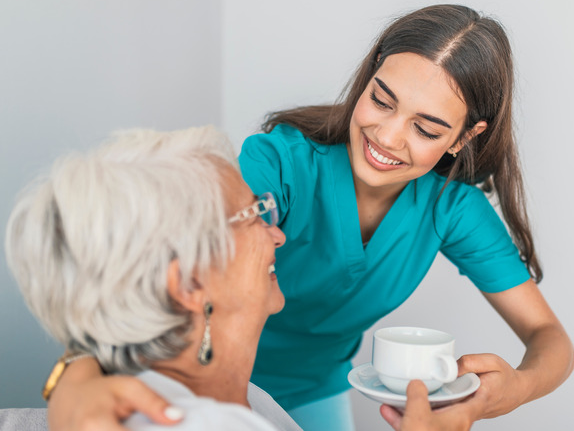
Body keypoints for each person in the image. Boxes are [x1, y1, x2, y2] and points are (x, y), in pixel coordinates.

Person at [47, 3, 574, 430]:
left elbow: (551, 339)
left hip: (312, 392)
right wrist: (74, 375)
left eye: (427, 129)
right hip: (194, 376)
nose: (387, 137)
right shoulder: (280, 163)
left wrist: (513, 391)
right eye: (382, 101)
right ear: (367, 78)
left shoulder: (452, 210)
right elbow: (158, 258)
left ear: (464, 137)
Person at [6, 126, 469, 431]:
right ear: (188, 284)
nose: (279, 234)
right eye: (255, 215)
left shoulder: (243, 398)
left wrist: (70, 372)